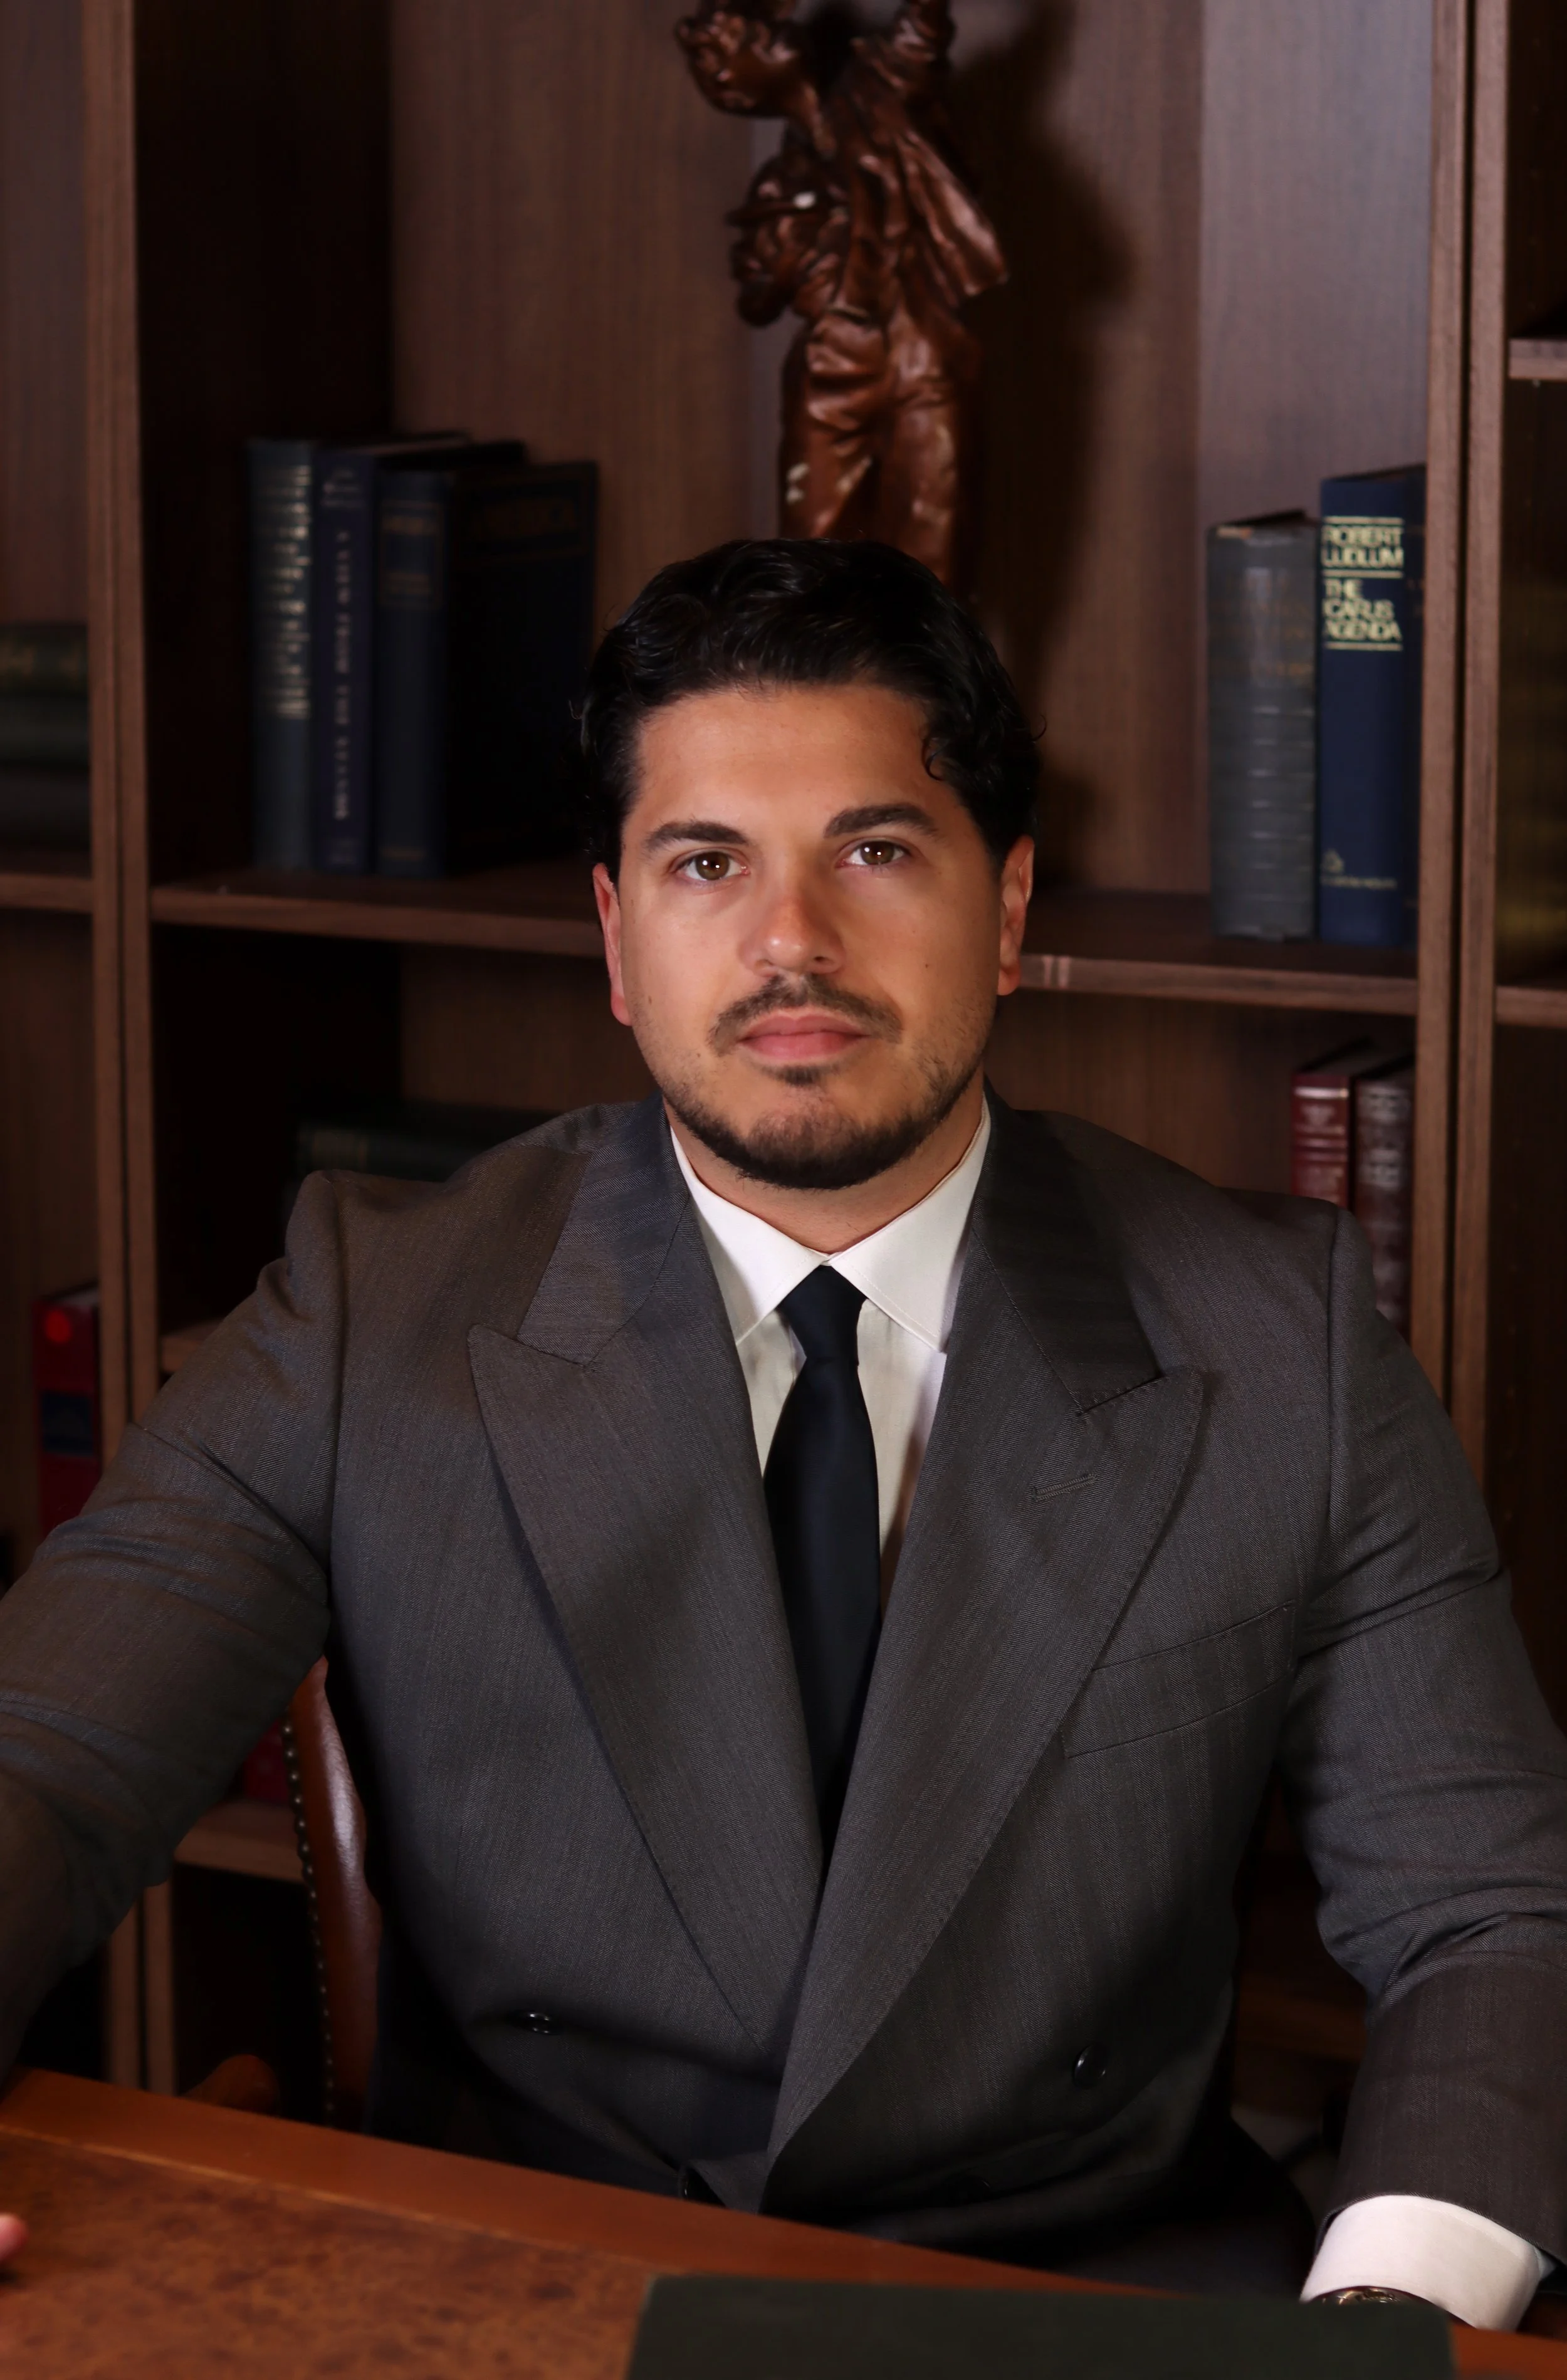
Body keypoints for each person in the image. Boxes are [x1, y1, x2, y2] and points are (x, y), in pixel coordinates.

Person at [1, 539, 1565, 2324]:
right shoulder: (376, 1307)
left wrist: (1380, 2321)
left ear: (1009, 906)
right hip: (530, 2290)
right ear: (613, 936)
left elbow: (1491, 1910)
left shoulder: (1272, 1332)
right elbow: (46, 1751)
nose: (789, 943)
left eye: (874, 850)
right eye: (704, 862)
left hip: (1077, 2303)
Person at [677, 1, 1005, 585]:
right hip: (832, 365)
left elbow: (924, 26)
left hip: (922, 351)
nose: (767, 33)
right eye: (746, 39)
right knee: (811, 571)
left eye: (754, 29)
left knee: (940, 561)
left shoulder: (877, 87)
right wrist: (782, 270)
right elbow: (754, 301)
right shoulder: (778, 184)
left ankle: (941, 679)